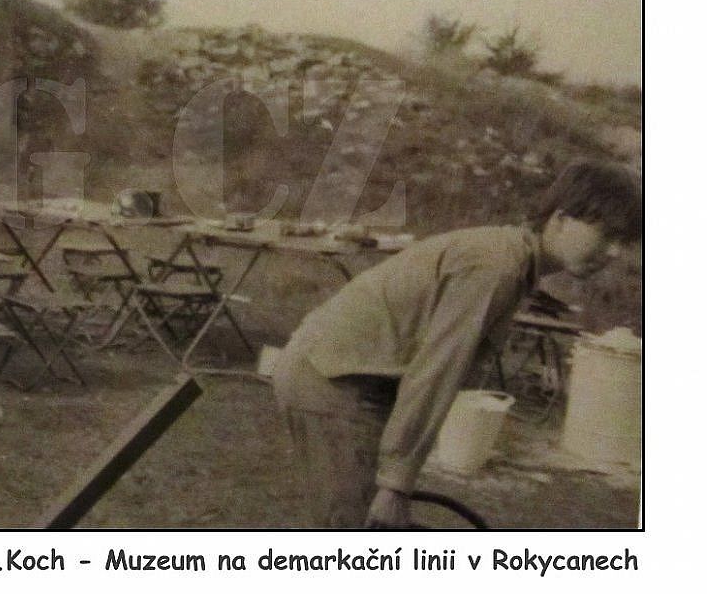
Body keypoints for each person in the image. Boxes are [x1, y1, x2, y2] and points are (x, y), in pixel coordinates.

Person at [273, 160, 642, 528]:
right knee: (360, 529)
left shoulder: (512, 260)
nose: (614, 252)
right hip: (330, 379)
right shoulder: (497, 267)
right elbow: (436, 372)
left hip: (349, 375)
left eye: (622, 241)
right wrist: (395, 484)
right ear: (561, 219)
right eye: (606, 234)